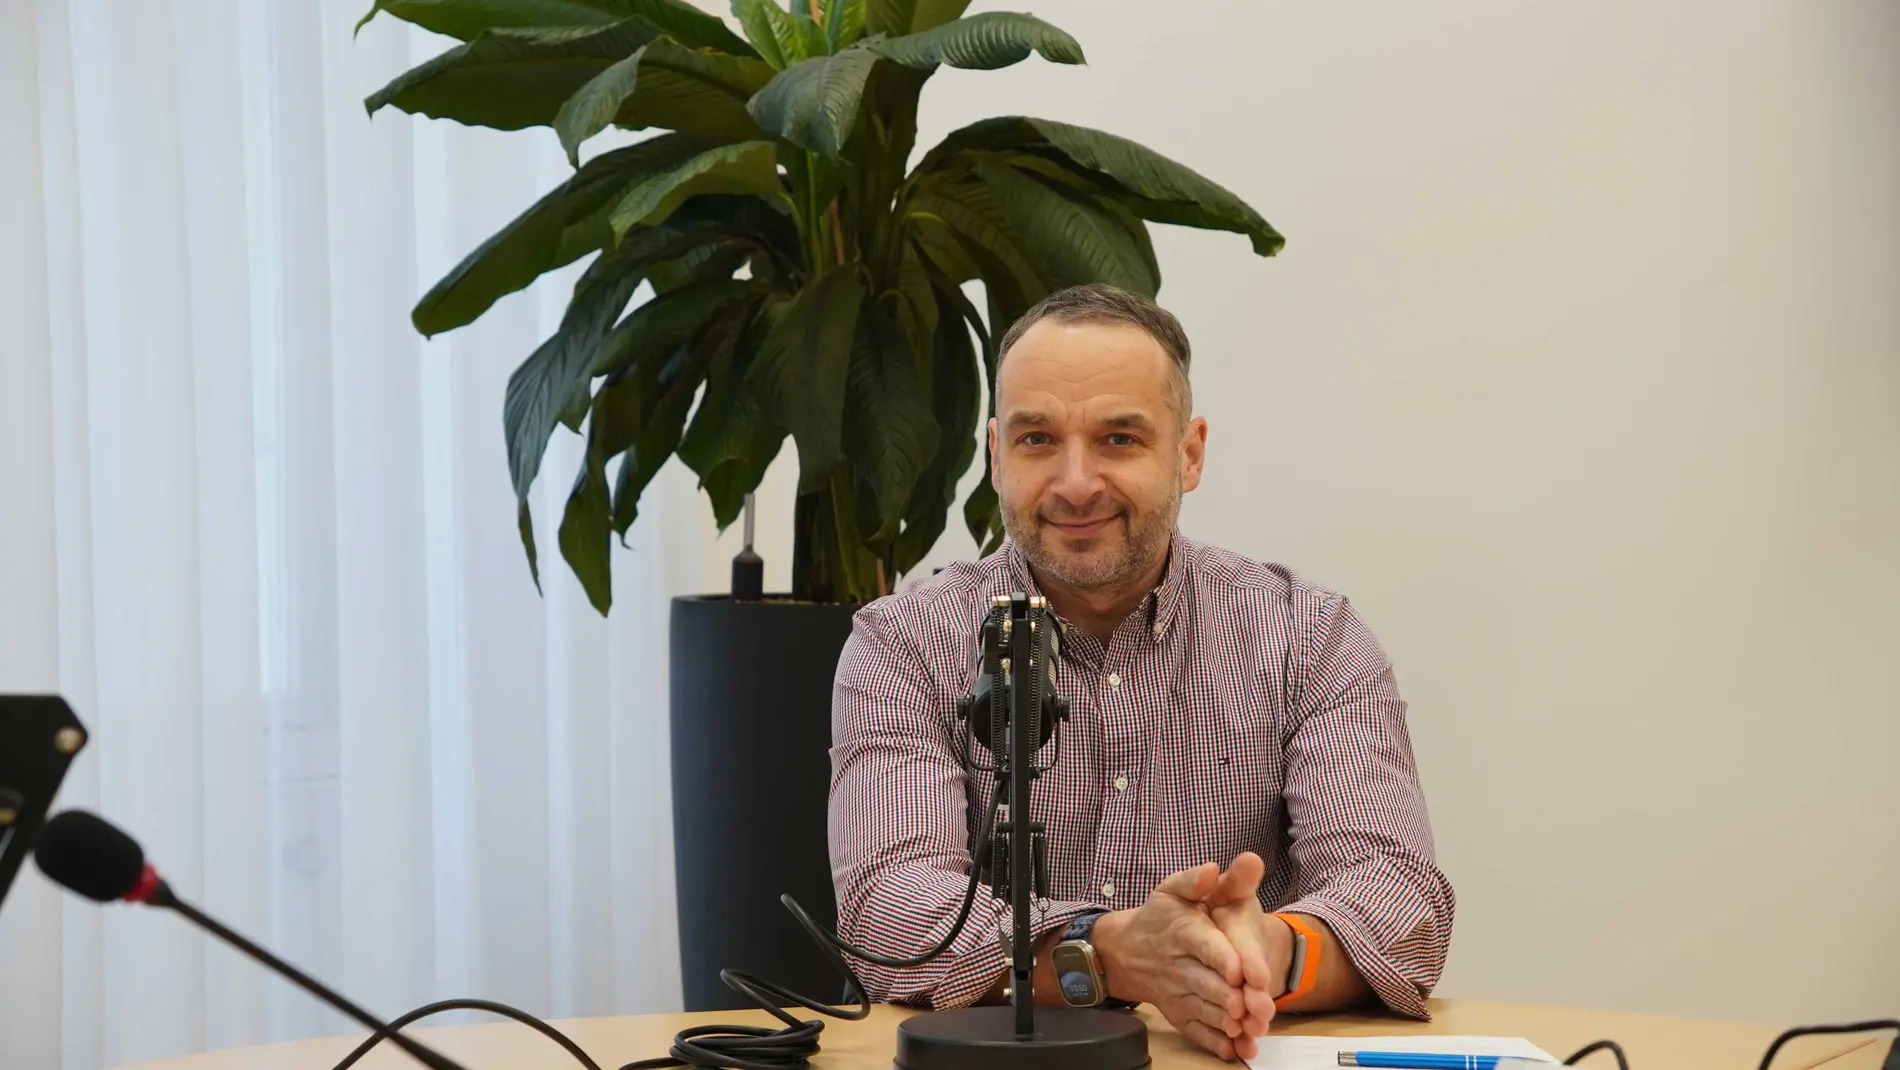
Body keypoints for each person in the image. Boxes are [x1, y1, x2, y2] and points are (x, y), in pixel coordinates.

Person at [826, 283, 1455, 1061]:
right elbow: (887, 908)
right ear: (995, 455)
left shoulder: (1308, 636)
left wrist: (1269, 949)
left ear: (1188, 454)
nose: (1075, 483)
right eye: (1037, 439)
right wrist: (1111, 953)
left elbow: (1399, 896)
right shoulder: (904, 644)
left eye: (1119, 438)